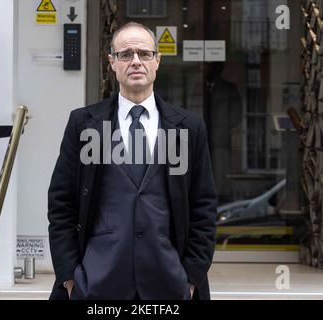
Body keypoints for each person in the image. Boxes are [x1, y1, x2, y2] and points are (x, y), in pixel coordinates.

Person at [48, 22, 218, 300]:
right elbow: (61, 203)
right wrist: (69, 277)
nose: (136, 61)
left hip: (169, 283)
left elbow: (204, 207)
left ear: (157, 61)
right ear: (112, 62)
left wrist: (191, 277)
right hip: (96, 284)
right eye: (126, 54)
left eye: (144, 54)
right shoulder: (84, 124)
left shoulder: (189, 127)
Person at [203, 62, 242, 204]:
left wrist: (223, 127)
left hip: (220, 140)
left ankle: (221, 201)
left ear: (216, 68)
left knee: (220, 172)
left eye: (207, 65)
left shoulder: (228, 88)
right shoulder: (200, 87)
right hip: (201, 139)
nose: (203, 68)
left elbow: (236, 116)